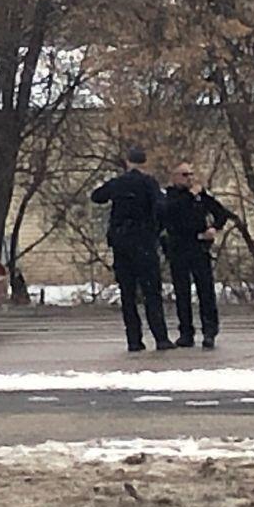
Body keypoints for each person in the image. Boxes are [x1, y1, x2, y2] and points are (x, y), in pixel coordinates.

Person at [91, 146, 173, 353]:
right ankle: (161, 337)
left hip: (121, 244)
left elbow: (97, 196)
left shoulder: (118, 183)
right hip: (144, 242)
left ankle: (134, 340)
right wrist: (157, 227)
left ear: (127, 162)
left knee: (127, 294)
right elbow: (162, 206)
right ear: (145, 163)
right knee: (151, 292)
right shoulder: (149, 183)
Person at [161, 163, 240, 350]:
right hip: (178, 247)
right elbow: (170, 212)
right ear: (175, 177)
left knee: (206, 290)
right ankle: (186, 333)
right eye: (185, 175)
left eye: (191, 174)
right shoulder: (169, 196)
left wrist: (214, 228)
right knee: (182, 292)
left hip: (199, 247)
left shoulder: (200, 196)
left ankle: (209, 331)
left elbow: (221, 213)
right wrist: (190, 195)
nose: (189, 178)